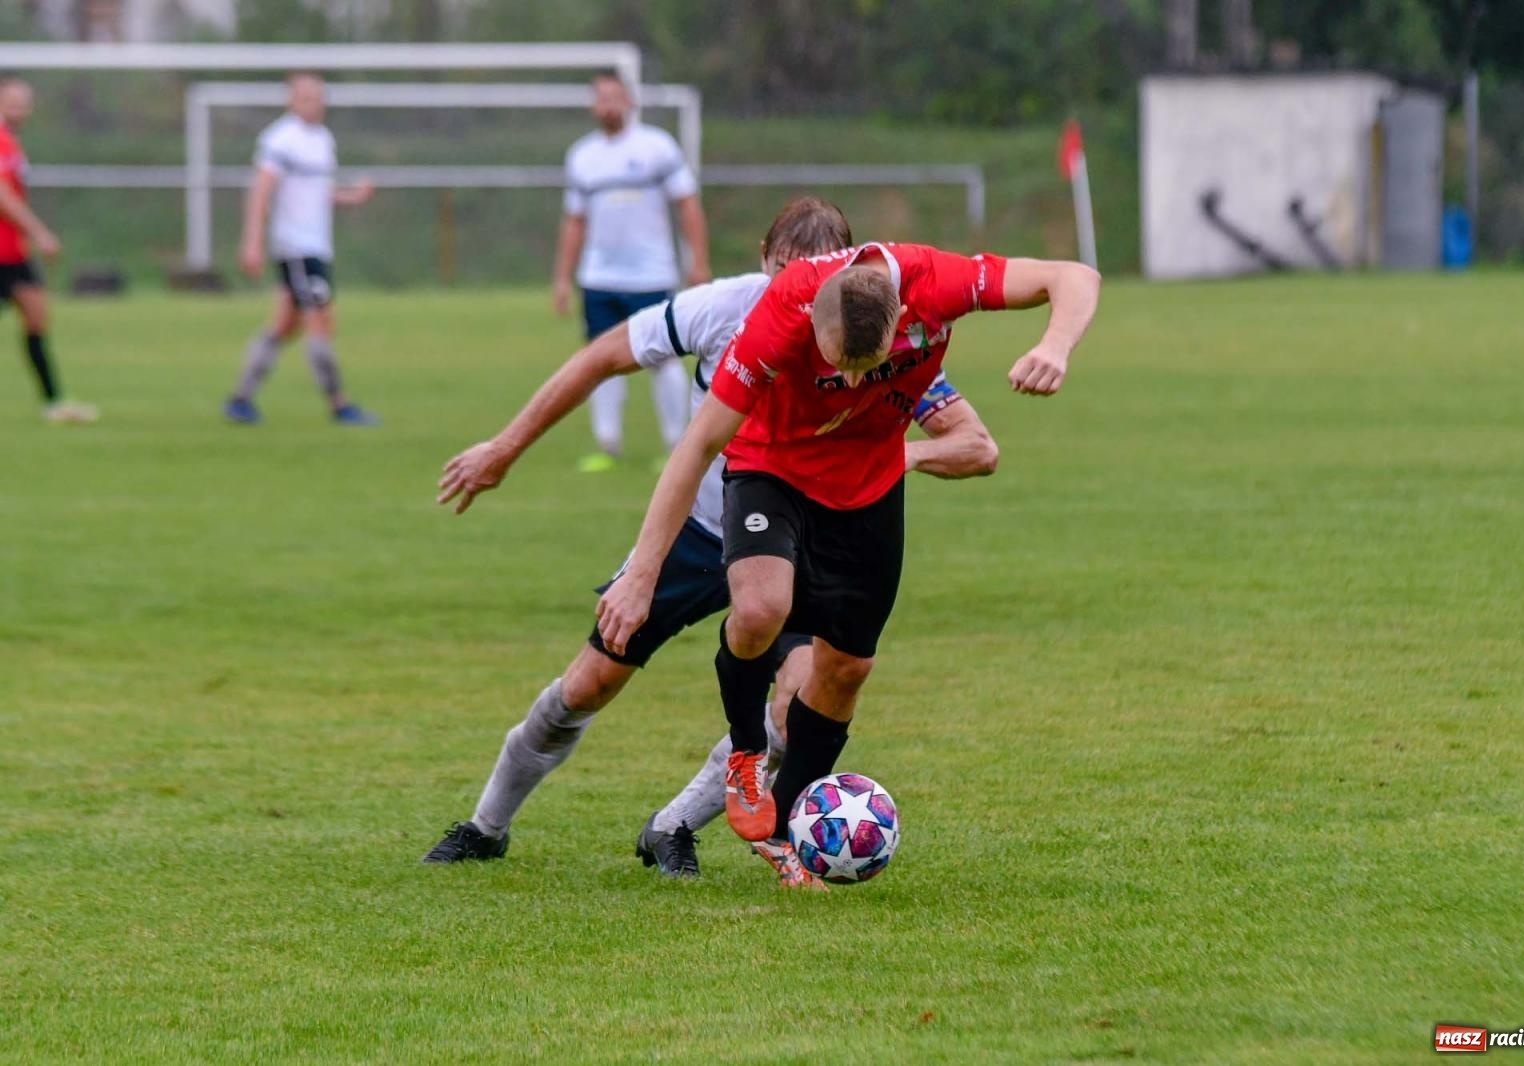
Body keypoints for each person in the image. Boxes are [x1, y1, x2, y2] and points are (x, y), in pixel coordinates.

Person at [422, 200, 998, 875]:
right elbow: (602, 357)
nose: (799, 296)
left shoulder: (870, 336)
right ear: (764, 259)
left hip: (803, 535)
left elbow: (977, 444)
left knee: (797, 700)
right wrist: (505, 447)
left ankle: (672, 827)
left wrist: (879, 459)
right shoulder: (726, 309)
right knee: (590, 682)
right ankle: (487, 826)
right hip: (700, 528)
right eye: (788, 273)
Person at [596, 241, 1101, 886]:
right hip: (769, 470)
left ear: (898, 319)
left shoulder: (937, 282)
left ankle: (788, 835)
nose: (857, 384)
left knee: (847, 667)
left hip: (867, 487)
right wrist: (641, 573)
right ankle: (748, 752)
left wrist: (1054, 346)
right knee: (758, 608)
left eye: (872, 366)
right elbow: (698, 444)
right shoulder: (781, 312)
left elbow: (1071, 272)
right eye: (841, 366)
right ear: (813, 325)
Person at [553, 72, 710, 473]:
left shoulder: (657, 147)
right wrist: (561, 278)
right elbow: (574, 220)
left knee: (663, 358)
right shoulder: (582, 156)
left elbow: (687, 204)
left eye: (614, 97)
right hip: (599, 277)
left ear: (630, 101)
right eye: (600, 98)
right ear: (592, 105)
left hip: (651, 276)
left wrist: (698, 259)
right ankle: (607, 445)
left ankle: (677, 444)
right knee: (598, 360)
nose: (608, 105)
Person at [224, 72, 377, 426]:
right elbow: (261, 189)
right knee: (321, 321)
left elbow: (317, 192)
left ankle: (240, 399)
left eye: (318, 97)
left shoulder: (323, 139)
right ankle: (340, 404)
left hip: (317, 246)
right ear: (291, 100)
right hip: (295, 247)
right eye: (306, 97)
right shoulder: (280, 139)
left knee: (285, 325)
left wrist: (351, 196)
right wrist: (252, 241)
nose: (314, 103)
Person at [0, 77, 97, 424]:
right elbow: (2, 196)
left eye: (24, 103)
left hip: (12, 252)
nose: (20, 109)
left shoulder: (11, 143)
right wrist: (39, 232)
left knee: (37, 315)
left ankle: (54, 403)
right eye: (12, 102)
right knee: (35, 314)